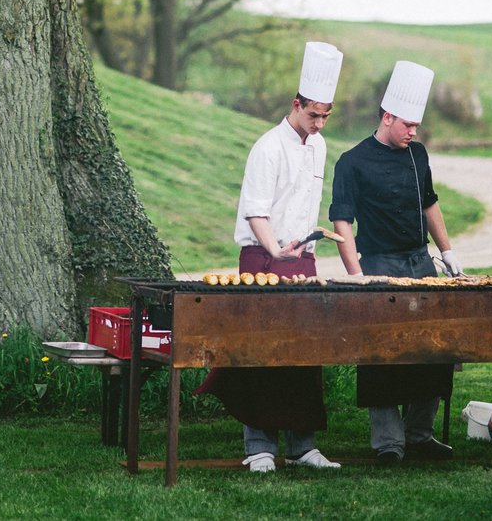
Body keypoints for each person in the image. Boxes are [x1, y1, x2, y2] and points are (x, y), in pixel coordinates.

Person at [196, 41, 344, 473]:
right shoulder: (267, 147)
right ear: (295, 104)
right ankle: (259, 446)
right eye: (313, 114)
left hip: (303, 262)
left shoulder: (319, 146)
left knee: (304, 351)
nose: (319, 124)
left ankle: (303, 445)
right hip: (262, 259)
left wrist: (305, 246)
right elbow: (256, 209)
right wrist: (276, 249)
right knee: (259, 350)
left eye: (325, 116)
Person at [329, 60, 464, 467]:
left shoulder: (417, 154)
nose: (414, 132)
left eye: (417, 126)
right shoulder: (351, 162)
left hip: (421, 261)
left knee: (433, 349)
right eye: (408, 124)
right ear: (387, 117)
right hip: (379, 264)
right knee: (383, 353)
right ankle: (388, 443)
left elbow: (429, 203)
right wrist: (355, 274)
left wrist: (449, 252)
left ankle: (420, 435)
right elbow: (342, 220)